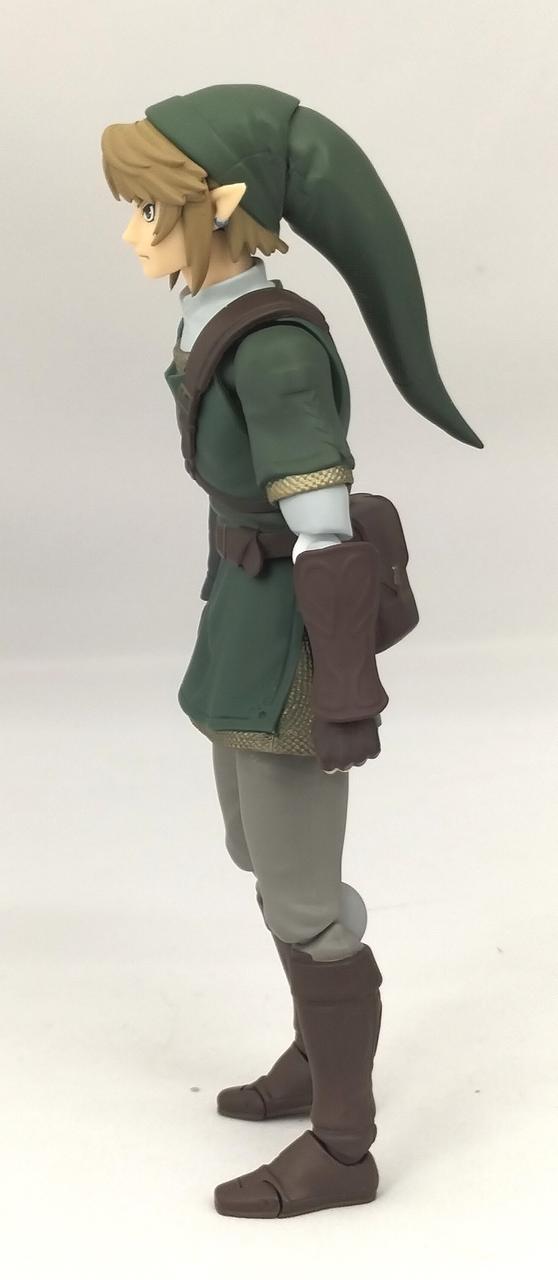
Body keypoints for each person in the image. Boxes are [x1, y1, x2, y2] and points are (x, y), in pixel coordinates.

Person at [101, 83, 482, 1219]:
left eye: (152, 208)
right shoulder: (210, 315)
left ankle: (345, 1146)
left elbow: (322, 524)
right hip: (243, 612)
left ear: (222, 202)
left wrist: (343, 684)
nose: (136, 232)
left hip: (289, 640)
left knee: (305, 895)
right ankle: (318, 1057)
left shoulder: (273, 350)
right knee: (256, 855)